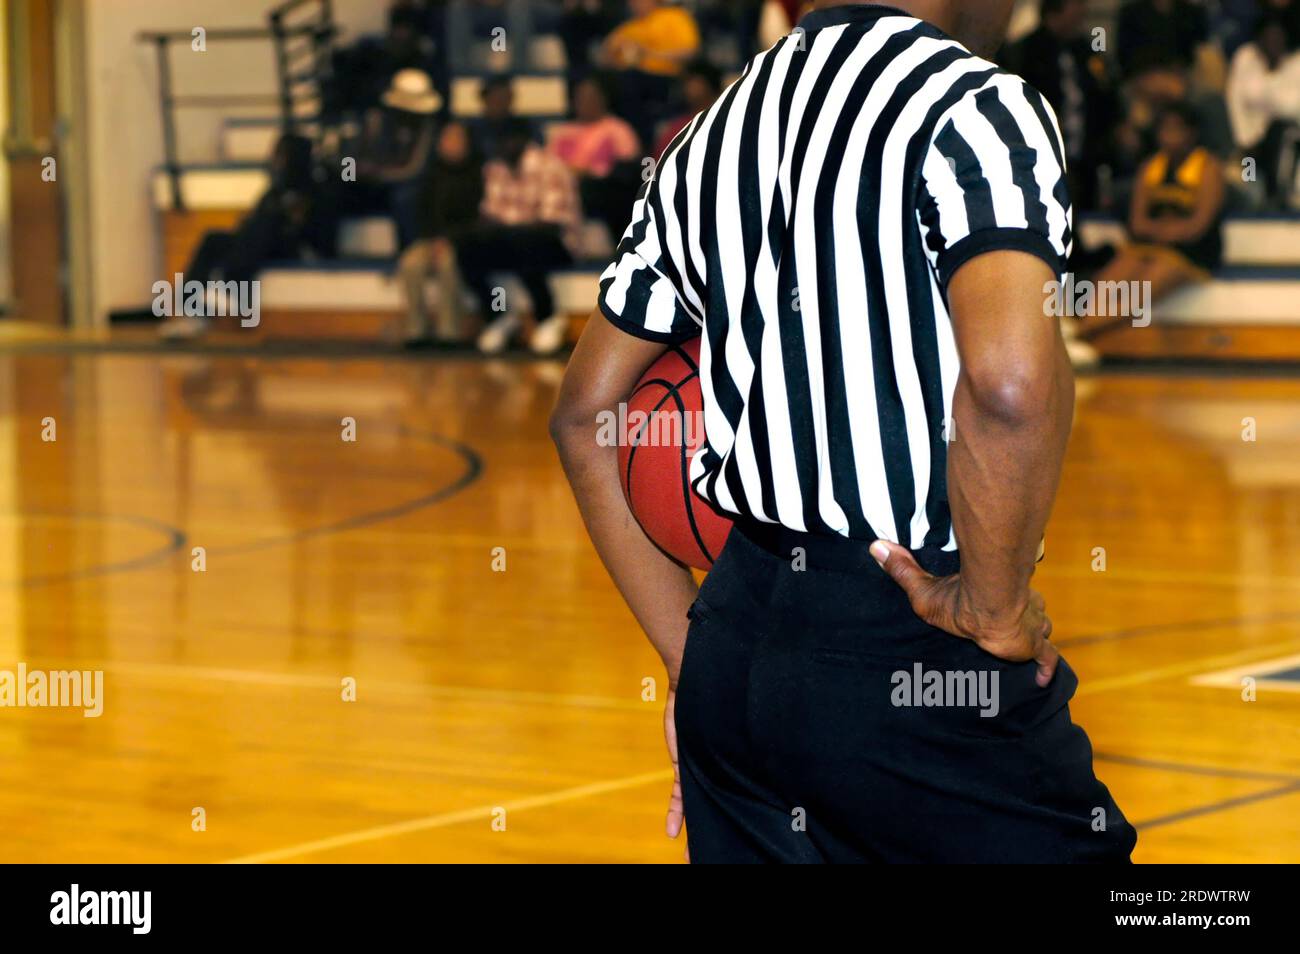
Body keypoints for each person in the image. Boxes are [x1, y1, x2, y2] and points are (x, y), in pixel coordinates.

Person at [552, 0, 1137, 863]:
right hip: (906, 638)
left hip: (736, 638)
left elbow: (581, 419)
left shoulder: (715, 129)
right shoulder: (975, 107)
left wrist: (694, 663)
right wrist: (995, 604)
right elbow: (1011, 386)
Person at [160, 134, 332, 341]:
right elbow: (254, 221)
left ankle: (232, 282)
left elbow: (317, 232)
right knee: (213, 239)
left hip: (300, 248)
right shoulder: (276, 189)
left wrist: (290, 220)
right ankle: (191, 310)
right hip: (261, 246)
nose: (274, 160)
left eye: (280, 155)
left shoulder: (314, 189)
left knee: (268, 224)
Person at [1078, 103, 1226, 342]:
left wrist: (1161, 231)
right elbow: (1137, 224)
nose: (1169, 136)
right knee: (1108, 280)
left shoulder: (1208, 168)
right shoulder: (1150, 166)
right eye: (1164, 129)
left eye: (1176, 129)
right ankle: (1078, 331)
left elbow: (1197, 227)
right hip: (1150, 246)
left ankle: (1078, 334)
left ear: (1192, 133)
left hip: (1192, 253)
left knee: (1140, 291)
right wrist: (1167, 231)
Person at [459, 127, 583, 355]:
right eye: (499, 141)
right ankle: (501, 314)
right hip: (514, 240)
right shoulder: (496, 168)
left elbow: (552, 222)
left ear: (524, 139)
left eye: (508, 139)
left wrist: (509, 231)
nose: (503, 146)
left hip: (557, 243)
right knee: (467, 247)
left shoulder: (550, 166)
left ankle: (548, 317)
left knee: (526, 243)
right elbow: (491, 214)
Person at [1001, 0, 1119, 211]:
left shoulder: (1086, 48)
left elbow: (1106, 93)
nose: (1084, 12)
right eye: (1077, 6)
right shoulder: (1024, 52)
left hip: (1087, 152)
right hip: (1043, 150)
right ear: (1057, 10)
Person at [397, 120, 485, 348]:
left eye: (457, 138)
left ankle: (450, 332)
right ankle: (417, 330)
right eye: (447, 138)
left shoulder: (478, 174)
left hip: (462, 241)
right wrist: (432, 239)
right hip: (429, 239)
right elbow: (422, 214)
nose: (451, 144)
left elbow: (478, 217)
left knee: (448, 264)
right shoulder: (430, 174)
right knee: (410, 263)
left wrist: (449, 240)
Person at [547, 74, 643, 242]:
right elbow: (548, 167)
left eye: (591, 96)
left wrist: (588, 174)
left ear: (603, 98)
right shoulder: (561, 133)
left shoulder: (618, 129)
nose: (586, 102)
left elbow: (627, 171)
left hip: (599, 192)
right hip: (562, 190)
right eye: (581, 97)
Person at [599, 0, 702, 146]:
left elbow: (690, 53)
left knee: (630, 80)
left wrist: (649, 54)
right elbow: (604, 59)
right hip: (631, 81)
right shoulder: (629, 27)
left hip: (668, 78)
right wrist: (610, 51)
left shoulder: (674, 17)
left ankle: (641, 142)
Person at [1226, 12, 1300, 207]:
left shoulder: (1296, 62)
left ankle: (1279, 194)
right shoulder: (1245, 57)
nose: (1273, 41)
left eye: (1278, 36)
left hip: (1286, 137)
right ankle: (1251, 201)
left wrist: (1272, 77)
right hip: (1249, 140)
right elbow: (1235, 102)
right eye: (1268, 36)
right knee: (1248, 166)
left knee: (1282, 134)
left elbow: (1293, 108)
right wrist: (1245, 138)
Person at [653, 59, 724, 159]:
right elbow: (658, 163)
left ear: (710, 85)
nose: (688, 87)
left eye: (695, 82)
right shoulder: (677, 128)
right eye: (687, 82)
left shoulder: (727, 123)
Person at [467, 76, 538, 162]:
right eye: (495, 97)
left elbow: (537, 154)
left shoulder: (525, 126)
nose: (499, 102)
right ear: (485, 98)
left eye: (504, 97)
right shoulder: (472, 129)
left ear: (510, 99)